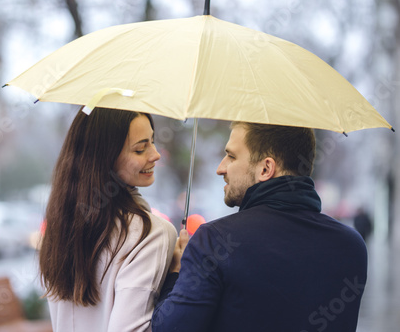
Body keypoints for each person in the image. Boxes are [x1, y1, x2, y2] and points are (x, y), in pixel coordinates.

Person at [152, 121, 368, 332]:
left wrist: (175, 274)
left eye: (231, 156)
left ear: (266, 168)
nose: (221, 168)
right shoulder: (351, 246)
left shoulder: (214, 241)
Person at [39, 107, 177, 332]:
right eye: (140, 148)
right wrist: (176, 276)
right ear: (105, 158)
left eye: (152, 141)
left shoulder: (60, 229)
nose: (155, 154)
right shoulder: (152, 234)